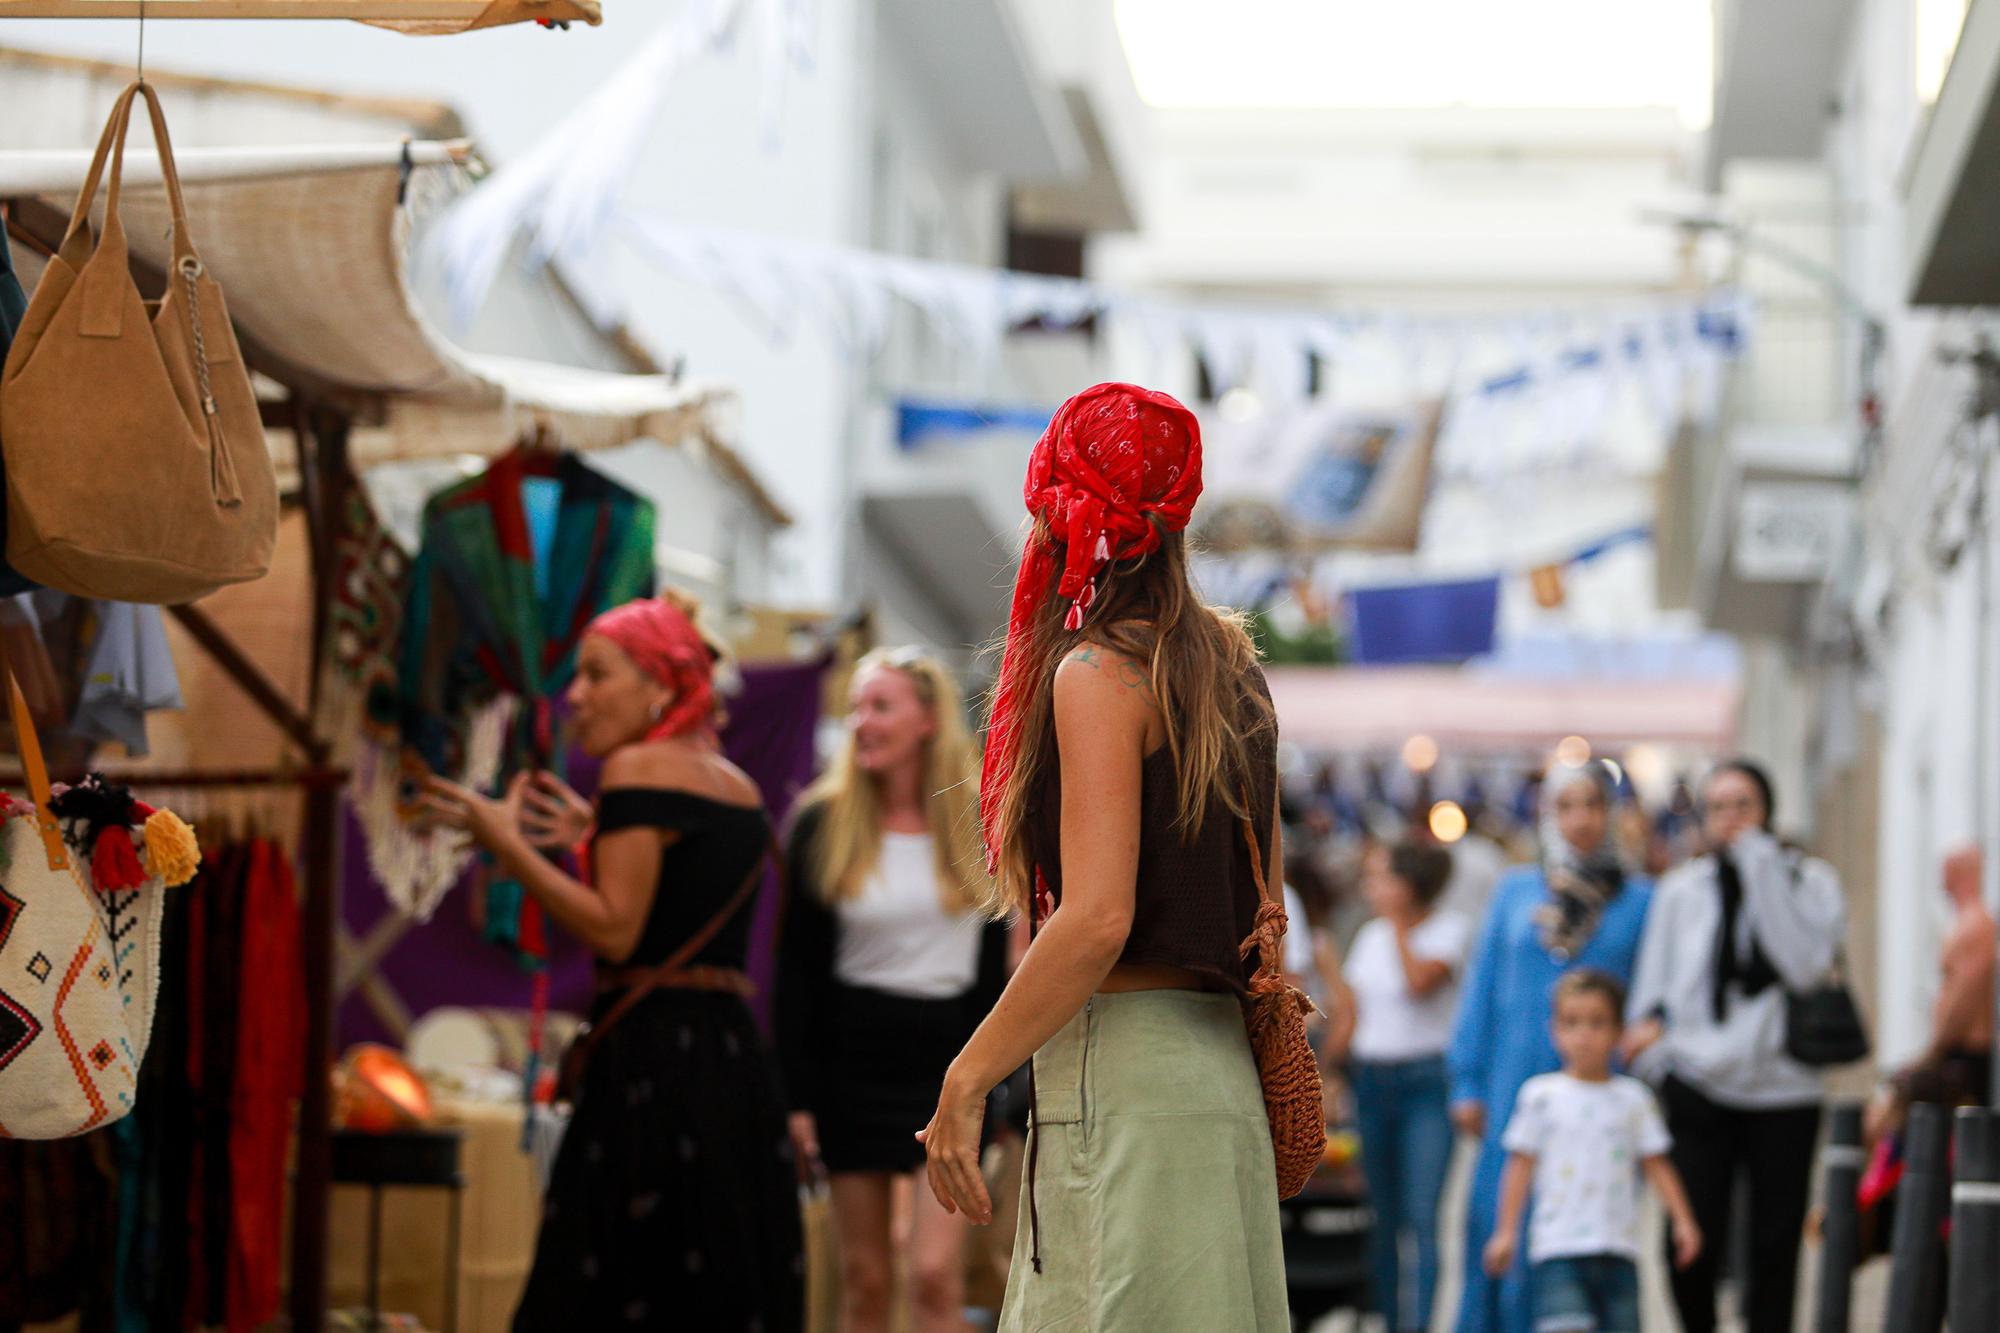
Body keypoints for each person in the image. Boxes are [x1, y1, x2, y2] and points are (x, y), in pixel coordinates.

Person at [916, 382, 1291, 1331]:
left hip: (1124, 1078)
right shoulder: (1231, 668)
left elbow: (1094, 920)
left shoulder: (1099, 670)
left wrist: (966, 1078)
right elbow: (1266, 906)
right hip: (1219, 1081)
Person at [422, 593, 803, 1333]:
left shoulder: (636, 769)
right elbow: (681, 897)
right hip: (731, 1062)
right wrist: (592, 835)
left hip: (654, 1067)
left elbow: (617, 930)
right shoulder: (736, 783)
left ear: (659, 685)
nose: (576, 697)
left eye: (597, 675)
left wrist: (507, 843)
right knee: (712, 1284)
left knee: (614, 1281)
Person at [775, 647, 1008, 1333]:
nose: (860, 722)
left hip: (948, 1066)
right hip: (849, 1063)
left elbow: (994, 973)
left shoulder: (977, 820)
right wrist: (797, 1097)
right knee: (866, 1278)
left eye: (879, 705)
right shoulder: (824, 820)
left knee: (933, 1274)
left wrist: (991, 1083)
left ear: (929, 719)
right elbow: (797, 970)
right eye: (855, 707)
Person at [1622, 758, 1846, 1333]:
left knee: (1774, 1246)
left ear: (1766, 810)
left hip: (1783, 1087)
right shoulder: (1682, 890)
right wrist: (1656, 1055)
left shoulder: (1809, 880)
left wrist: (1762, 873)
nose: (1730, 820)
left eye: (1742, 805)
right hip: (1698, 1080)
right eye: (1718, 808)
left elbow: (1803, 966)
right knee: (1691, 1236)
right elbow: (1651, 993)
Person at [1447, 760, 1653, 1333]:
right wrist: (1466, 1079)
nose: (1580, 819)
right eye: (1566, 806)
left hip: (1595, 1096)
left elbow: (1650, 996)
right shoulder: (1516, 891)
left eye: (1592, 805)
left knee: (1580, 1235)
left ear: (1610, 814)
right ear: (1548, 815)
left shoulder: (1638, 900)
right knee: (1496, 1222)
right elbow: (1482, 987)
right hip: (1512, 1084)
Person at [1484, 970, 1702, 1333]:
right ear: (1555, 1031)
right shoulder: (1541, 1096)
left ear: (1618, 1031)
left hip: (1618, 1245)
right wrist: (1506, 1231)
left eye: (1597, 1023)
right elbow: (1520, 1165)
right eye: (1572, 1023)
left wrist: (1683, 1220)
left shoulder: (1633, 1099)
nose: (1584, 1035)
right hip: (1558, 1247)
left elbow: (1657, 1164)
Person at [1342, 840, 1468, 1333]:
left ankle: (1421, 1323)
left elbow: (1419, 983)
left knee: (1421, 1214)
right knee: (1382, 1217)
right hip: (1372, 1081)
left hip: (1425, 1084)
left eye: (1381, 878)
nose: (1371, 888)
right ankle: (1391, 1322)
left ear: (1407, 884)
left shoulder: (1448, 930)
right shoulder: (1369, 936)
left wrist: (1397, 921)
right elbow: (1354, 1009)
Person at [1870, 843, 1995, 1137]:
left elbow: (1966, 995)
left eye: (1946, 870)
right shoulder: (1966, 923)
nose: (1941, 880)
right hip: (1956, 1049)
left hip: (1966, 1050)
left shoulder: (1976, 925)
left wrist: (1935, 1050)